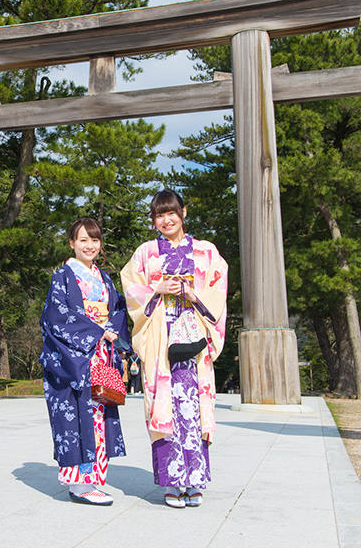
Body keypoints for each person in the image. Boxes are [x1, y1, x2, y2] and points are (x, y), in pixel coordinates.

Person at [120, 189, 228, 509]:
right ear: (153, 220)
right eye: (159, 215)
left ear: (183, 213)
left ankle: (194, 480)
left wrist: (193, 295)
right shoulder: (145, 252)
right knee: (163, 410)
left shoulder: (206, 252)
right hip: (160, 341)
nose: (166, 220)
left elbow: (218, 290)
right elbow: (130, 285)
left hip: (194, 341)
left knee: (193, 410)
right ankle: (171, 482)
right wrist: (157, 288)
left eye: (171, 213)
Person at [39, 217, 131, 506]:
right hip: (75, 358)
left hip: (101, 353)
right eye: (83, 240)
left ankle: (96, 479)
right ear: (71, 243)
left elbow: (117, 308)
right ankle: (80, 483)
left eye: (94, 240)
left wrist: (112, 329)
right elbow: (56, 317)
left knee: (99, 416)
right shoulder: (62, 277)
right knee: (80, 416)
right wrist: (94, 332)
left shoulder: (104, 279)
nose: (89, 246)